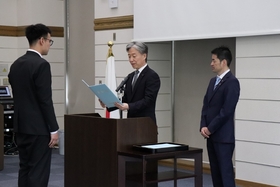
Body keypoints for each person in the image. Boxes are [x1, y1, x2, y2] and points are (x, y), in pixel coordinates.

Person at [8, 23, 59, 187]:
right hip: (39, 129)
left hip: (21, 126)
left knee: (24, 168)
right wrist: (54, 129)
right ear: (42, 40)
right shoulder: (42, 65)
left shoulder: (16, 64)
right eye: (50, 41)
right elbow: (45, 100)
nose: (49, 46)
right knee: (38, 172)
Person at [200, 46, 240, 187]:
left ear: (223, 62)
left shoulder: (232, 82)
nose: (211, 63)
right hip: (211, 136)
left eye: (214, 60)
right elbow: (206, 105)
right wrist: (203, 126)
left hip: (223, 137)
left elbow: (227, 111)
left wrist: (210, 128)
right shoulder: (212, 81)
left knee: (225, 174)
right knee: (215, 174)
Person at [101, 41, 161, 124]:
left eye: (134, 56)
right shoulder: (130, 76)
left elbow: (148, 100)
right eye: (129, 56)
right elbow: (125, 99)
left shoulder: (152, 76)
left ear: (144, 56)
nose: (131, 60)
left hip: (145, 124)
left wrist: (129, 106)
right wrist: (108, 103)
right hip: (130, 125)